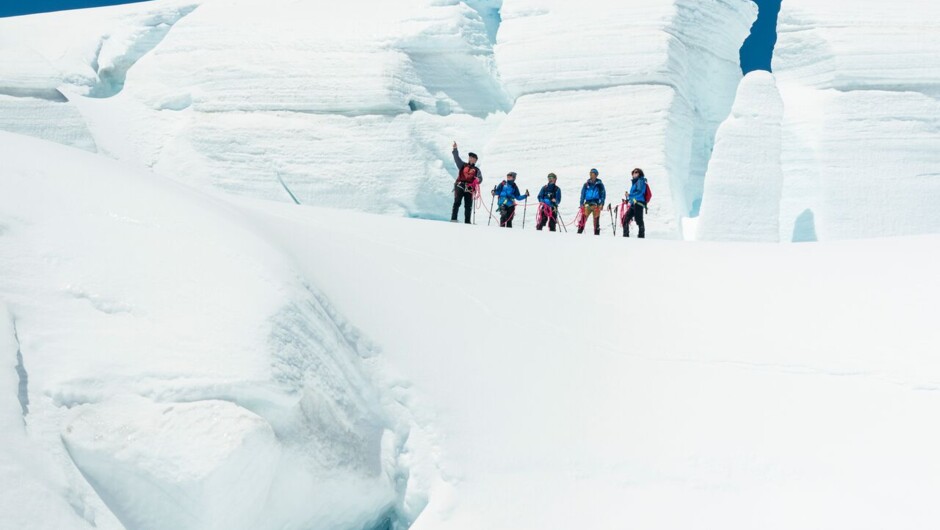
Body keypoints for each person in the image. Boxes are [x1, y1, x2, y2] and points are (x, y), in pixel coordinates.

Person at [451, 141, 482, 224]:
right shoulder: (463, 165)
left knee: (468, 206)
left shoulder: (477, 170)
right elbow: (456, 158)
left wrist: (478, 180)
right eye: (470, 157)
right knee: (457, 202)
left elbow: (480, 178)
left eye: (472, 157)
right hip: (460, 185)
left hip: (470, 188)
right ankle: (453, 219)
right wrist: (455, 149)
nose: (470, 158)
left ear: (475, 160)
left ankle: (467, 222)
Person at [578, 168, 606, 235]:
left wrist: (602, 203)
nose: (591, 174)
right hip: (587, 203)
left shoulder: (600, 185)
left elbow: (603, 195)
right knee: (583, 219)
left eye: (592, 173)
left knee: (596, 221)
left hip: (596, 204)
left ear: (596, 175)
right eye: (590, 173)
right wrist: (581, 203)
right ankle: (579, 233)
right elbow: (583, 194)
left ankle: (596, 235)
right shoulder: (586, 184)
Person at [623, 168, 648, 238]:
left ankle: (640, 236)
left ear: (639, 173)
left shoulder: (640, 181)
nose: (634, 173)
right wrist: (628, 199)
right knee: (626, 219)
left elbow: (640, 192)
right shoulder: (635, 182)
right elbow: (635, 194)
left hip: (639, 203)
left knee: (638, 220)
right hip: (634, 203)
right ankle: (626, 236)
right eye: (633, 172)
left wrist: (629, 195)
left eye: (636, 172)